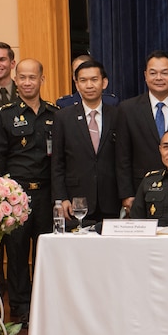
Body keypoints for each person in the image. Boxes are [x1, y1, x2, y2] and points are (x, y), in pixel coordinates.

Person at [0, 59, 58, 326]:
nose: (28, 82)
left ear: (42, 79)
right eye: (23, 77)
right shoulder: (4, 115)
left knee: (45, 251)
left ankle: (45, 302)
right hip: (15, 197)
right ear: (16, 79)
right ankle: (21, 305)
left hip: (46, 196)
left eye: (33, 77)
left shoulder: (55, 114)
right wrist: (1, 198)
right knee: (16, 253)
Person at [118, 51, 168, 213]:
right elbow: (122, 155)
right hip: (141, 189)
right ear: (145, 76)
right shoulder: (127, 109)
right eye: (153, 73)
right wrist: (127, 194)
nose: (159, 78)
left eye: (164, 73)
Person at [50, 60, 122, 224]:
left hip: (111, 200)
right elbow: (57, 163)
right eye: (83, 80)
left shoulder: (118, 115)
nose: (89, 85)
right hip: (76, 202)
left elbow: (123, 160)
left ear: (104, 82)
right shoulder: (63, 117)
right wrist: (61, 199)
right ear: (76, 84)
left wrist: (125, 195)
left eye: (94, 79)